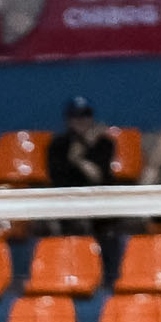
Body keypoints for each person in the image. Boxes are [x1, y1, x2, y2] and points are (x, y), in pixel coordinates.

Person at [47, 96, 123, 270]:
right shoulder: (58, 144)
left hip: (99, 203)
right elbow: (59, 179)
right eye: (76, 116)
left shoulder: (104, 144)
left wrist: (77, 159)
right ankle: (65, 271)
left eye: (85, 115)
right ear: (68, 119)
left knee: (109, 228)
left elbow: (97, 176)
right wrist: (80, 152)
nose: (81, 120)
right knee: (57, 221)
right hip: (66, 202)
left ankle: (109, 274)